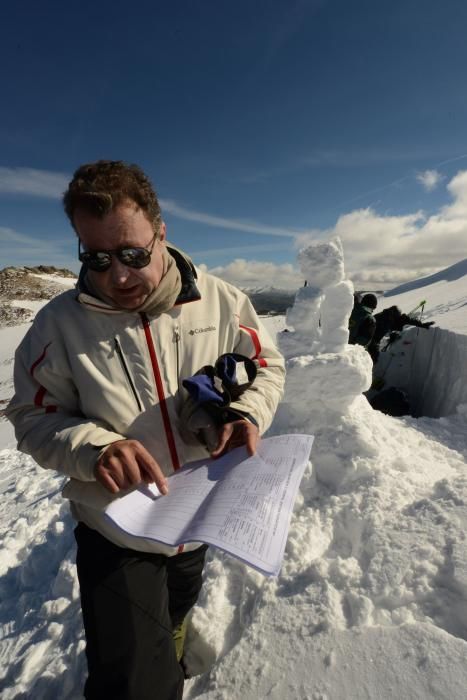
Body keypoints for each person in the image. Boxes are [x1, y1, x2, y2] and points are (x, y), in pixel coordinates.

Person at [6, 160, 285, 700]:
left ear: (162, 233)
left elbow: (266, 366)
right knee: (132, 682)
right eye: (97, 259)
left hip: (198, 516)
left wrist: (246, 412)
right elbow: (31, 416)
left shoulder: (223, 301)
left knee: (176, 608)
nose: (119, 276)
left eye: (133, 254)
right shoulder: (56, 326)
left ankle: (174, 641)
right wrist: (95, 449)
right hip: (116, 527)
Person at [368, 304, 434, 363]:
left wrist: (421, 324)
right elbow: (376, 332)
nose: (397, 319)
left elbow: (407, 320)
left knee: (374, 357)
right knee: (372, 357)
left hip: (373, 340)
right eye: (397, 317)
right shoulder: (381, 318)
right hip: (368, 340)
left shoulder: (390, 318)